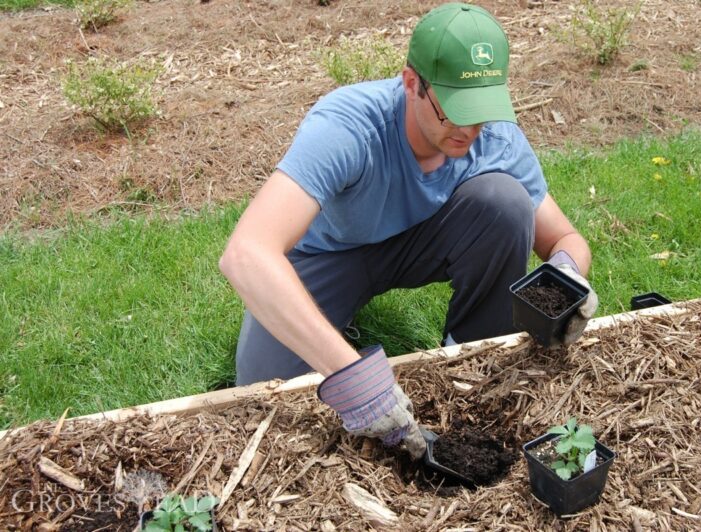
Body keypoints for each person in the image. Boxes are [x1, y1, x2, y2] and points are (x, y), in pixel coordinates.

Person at [219, 3, 598, 459]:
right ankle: (335, 326)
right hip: (328, 256)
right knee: (263, 394)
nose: (469, 129)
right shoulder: (349, 126)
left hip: (421, 240)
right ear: (412, 83)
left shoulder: (492, 134)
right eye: (454, 110)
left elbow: (564, 239)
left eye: (480, 110)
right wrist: (354, 379)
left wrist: (568, 274)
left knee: (504, 201)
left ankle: (472, 361)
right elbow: (245, 253)